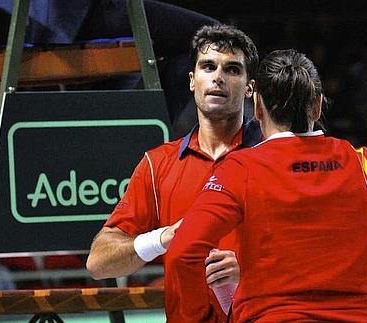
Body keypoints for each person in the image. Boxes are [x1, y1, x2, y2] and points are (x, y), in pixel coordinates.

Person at [165, 49, 367, 322]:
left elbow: (183, 253)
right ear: (318, 106)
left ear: (257, 107)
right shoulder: (365, 168)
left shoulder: (240, 170)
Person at [86, 24, 260, 320]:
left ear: (249, 88)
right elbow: (99, 262)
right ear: (192, 81)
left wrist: (253, 270)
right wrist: (164, 238)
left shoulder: (273, 157)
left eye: (232, 69)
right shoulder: (157, 165)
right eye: (208, 67)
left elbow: (318, 253)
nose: (218, 77)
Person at [0, 0, 220, 136]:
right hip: (60, 15)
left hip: (27, 17)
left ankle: (130, 137)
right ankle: (145, 139)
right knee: (212, 36)